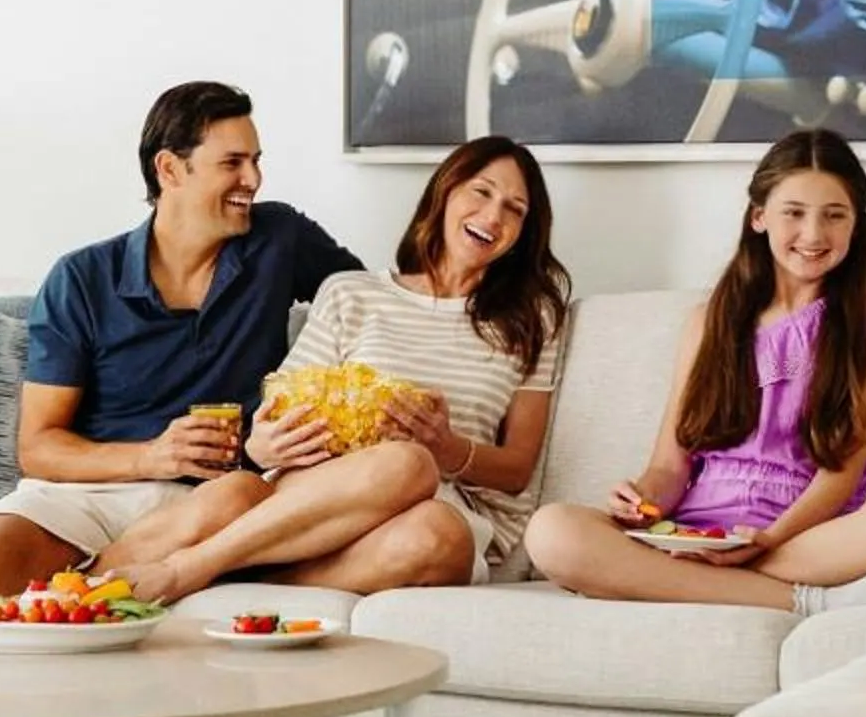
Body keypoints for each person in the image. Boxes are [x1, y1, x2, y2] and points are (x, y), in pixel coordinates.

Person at [0, 80, 360, 717]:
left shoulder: (278, 242)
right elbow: (40, 448)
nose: (253, 180)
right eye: (233, 162)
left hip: (213, 498)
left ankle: (64, 591)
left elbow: (368, 306)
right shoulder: (84, 279)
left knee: (235, 495)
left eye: (257, 160)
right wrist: (150, 454)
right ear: (171, 168)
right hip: (100, 482)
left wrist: (296, 418)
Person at [114, 135, 571, 602]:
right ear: (446, 191)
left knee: (431, 523)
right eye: (482, 191)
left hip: (438, 509)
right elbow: (270, 423)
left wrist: (447, 448)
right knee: (237, 492)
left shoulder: (533, 320)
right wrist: (265, 443)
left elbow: (517, 469)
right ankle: (102, 584)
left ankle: (208, 573)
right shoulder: (351, 293)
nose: (494, 216)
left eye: (515, 209)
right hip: (324, 494)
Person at [523, 128, 866, 612]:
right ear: (759, 217)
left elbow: (845, 469)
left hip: (803, 535)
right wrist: (641, 501)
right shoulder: (708, 321)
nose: (814, 234)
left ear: (856, 225)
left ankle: (680, 581)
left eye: (834, 216)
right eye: (794, 213)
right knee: (552, 531)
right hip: (698, 529)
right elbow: (669, 465)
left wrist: (767, 539)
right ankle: (809, 602)